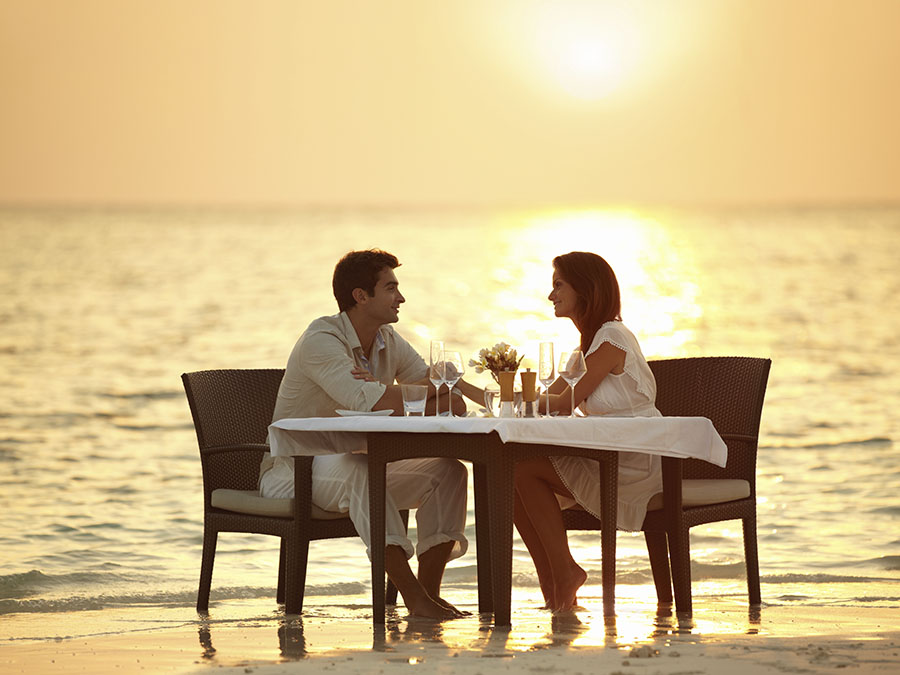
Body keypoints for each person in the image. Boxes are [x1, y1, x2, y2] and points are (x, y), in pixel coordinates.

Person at [258, 249, 469, 620]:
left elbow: (454, 402)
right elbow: (372, 404)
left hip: (354, 463)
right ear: (361, 296)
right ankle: (415, 598)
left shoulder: (388, 338)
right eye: (391, 288)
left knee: (447, 471)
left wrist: (402, 390)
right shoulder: (320, 339)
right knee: (362, 473)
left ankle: (428, 596)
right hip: (294, 471)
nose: (400, 298)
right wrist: (415, 390)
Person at [514, 251, 663, 612]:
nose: (551, 296)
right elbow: (545, 400)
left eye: (558, 285)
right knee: (509, 475)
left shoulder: (612, 338)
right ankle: (553, 581)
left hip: (633, 460)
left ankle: (563, 574)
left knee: (522, 469)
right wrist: (476, 392)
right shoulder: (584, 350)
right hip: (606, 453)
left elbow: (563, 403)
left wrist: (517, 400)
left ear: (585, 288)